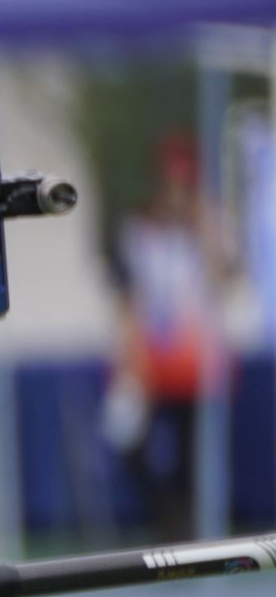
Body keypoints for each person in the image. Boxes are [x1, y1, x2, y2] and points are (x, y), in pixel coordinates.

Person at [104, 130, 228, 544]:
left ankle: (187, 525)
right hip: (150, 358)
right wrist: (130, 357)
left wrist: (206, 227)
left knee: (193, 450)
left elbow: (222, 281)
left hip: (193, 359)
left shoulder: (204, 232)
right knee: (131, 442)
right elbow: (128, 297)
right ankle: (165, 515)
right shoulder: (139, 231)